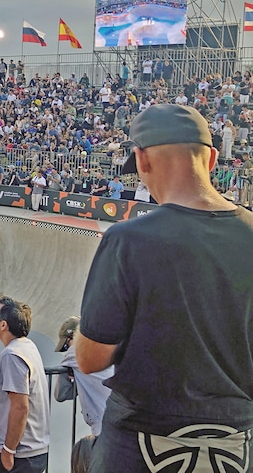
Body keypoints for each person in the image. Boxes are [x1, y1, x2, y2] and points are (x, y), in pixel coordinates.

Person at [76, 104, 253, 472]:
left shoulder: (127, 240)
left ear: (142, 160)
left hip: (140, 446)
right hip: (237, 446)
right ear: (213, 158)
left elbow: (90, 358)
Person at [0, 294, 50, 473]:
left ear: (3, 324)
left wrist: (8, 451)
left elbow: (20, 407)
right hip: (33, 451)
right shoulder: (27, 347)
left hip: (20, 456)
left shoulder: (12, 355)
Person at [54, 316, 113, 473]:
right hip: (120, 416)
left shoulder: (76, 350)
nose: (65, 351)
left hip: (102, 422)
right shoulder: (107, 344)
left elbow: (60, 394)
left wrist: (75, 376)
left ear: (71, 337)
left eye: (65, 347)